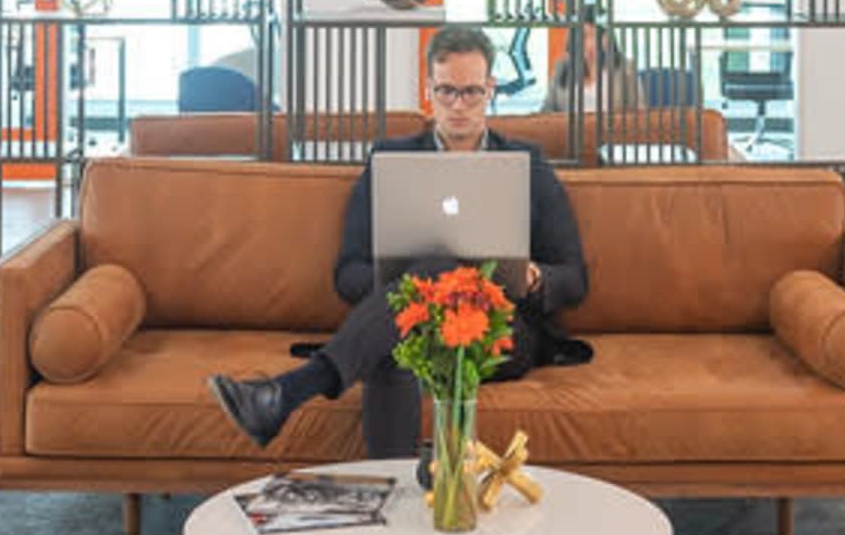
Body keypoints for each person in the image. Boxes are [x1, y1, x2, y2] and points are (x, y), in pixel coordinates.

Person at [209, 23, 591, 458]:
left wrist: (535, 275)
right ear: (428, 90)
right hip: (407, 324)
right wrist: (404, 278)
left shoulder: (528, 163)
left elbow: (574, 278)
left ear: (491, 90)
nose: (458, 106)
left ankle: (289, 392)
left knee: (434, 274)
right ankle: (399, 500)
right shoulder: (390, 161)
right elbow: (347, 274)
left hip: (500, 329)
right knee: (401, 331)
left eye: (471, 92)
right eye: (446, 91)